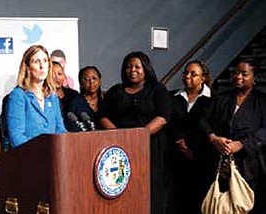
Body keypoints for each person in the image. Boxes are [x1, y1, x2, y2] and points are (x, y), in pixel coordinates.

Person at [99, 51, 171, 214]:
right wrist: (120, 135)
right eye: (129, 66)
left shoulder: (157, 90)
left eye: (137, 66)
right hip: (119, 147)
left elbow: (163, 116)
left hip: (149, 145)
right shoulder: (115, 91)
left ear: (146, 69)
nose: (132, 70)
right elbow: (102, 116)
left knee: (149, 186)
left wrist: (140, 136)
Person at [199, 59, 266, 213]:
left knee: (246, 205)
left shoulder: (261, 101)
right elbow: (202, 120)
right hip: (221, 162)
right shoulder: (222, 98)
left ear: (254, 77)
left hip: (250, 165)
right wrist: (214, 138)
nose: (238, 77)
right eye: (236, 72)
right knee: (222, 206)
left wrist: (242, 144)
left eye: (244, 74)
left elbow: (264, 131)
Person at [167, 60, 213, 212]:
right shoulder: (173, 97)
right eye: (186, 73)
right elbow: (169, 122)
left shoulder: (213, 99)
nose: (188, 76)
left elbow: (209, 126)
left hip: (200, 158)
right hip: (176, 155)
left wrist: (193, 147)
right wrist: (179, 141)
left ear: (203, 78)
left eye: (193, 74)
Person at [6, 45, 66, 148]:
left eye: (45, 61)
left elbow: (60, 130)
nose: (42, 66)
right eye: (36, 61)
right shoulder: (18, 96)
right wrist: (39, 153)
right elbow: (16, 136)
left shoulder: (52, 96)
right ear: (28, 67)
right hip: (29, 158)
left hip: (53, 158)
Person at [52, 61, 79, 131]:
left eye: (60, 74)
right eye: (52, 74)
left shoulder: (73, 95)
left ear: (64, 76)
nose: (56, 77)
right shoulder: (45, 98)